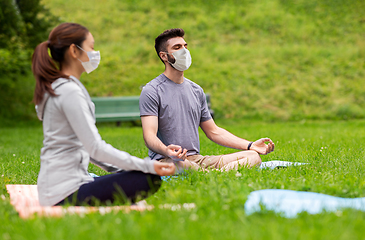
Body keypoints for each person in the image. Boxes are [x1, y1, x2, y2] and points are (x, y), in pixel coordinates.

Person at [31, 23, 175, 206]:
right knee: (147, 178)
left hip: (56, 188)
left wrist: (124, 169)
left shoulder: (61, 87)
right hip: (63, 193)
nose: (94, 53)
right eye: (91, 47)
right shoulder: (69, 92)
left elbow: (89, 150)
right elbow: (95, 148)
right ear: (74, 51)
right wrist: (148, 166)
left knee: (139, 174)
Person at [139, 28, 275, 171]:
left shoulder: (196, 90)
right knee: (183, 165)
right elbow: (149, 136)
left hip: (197, 159)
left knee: (253, 156)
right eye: (177, 47)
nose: (184, 51)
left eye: (185, 46)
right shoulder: (152, 90)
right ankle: (218, 174)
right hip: (169, 160)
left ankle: (213, 175)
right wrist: (167, 151)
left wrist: (250, 145)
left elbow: (214, 131)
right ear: (164, 56)